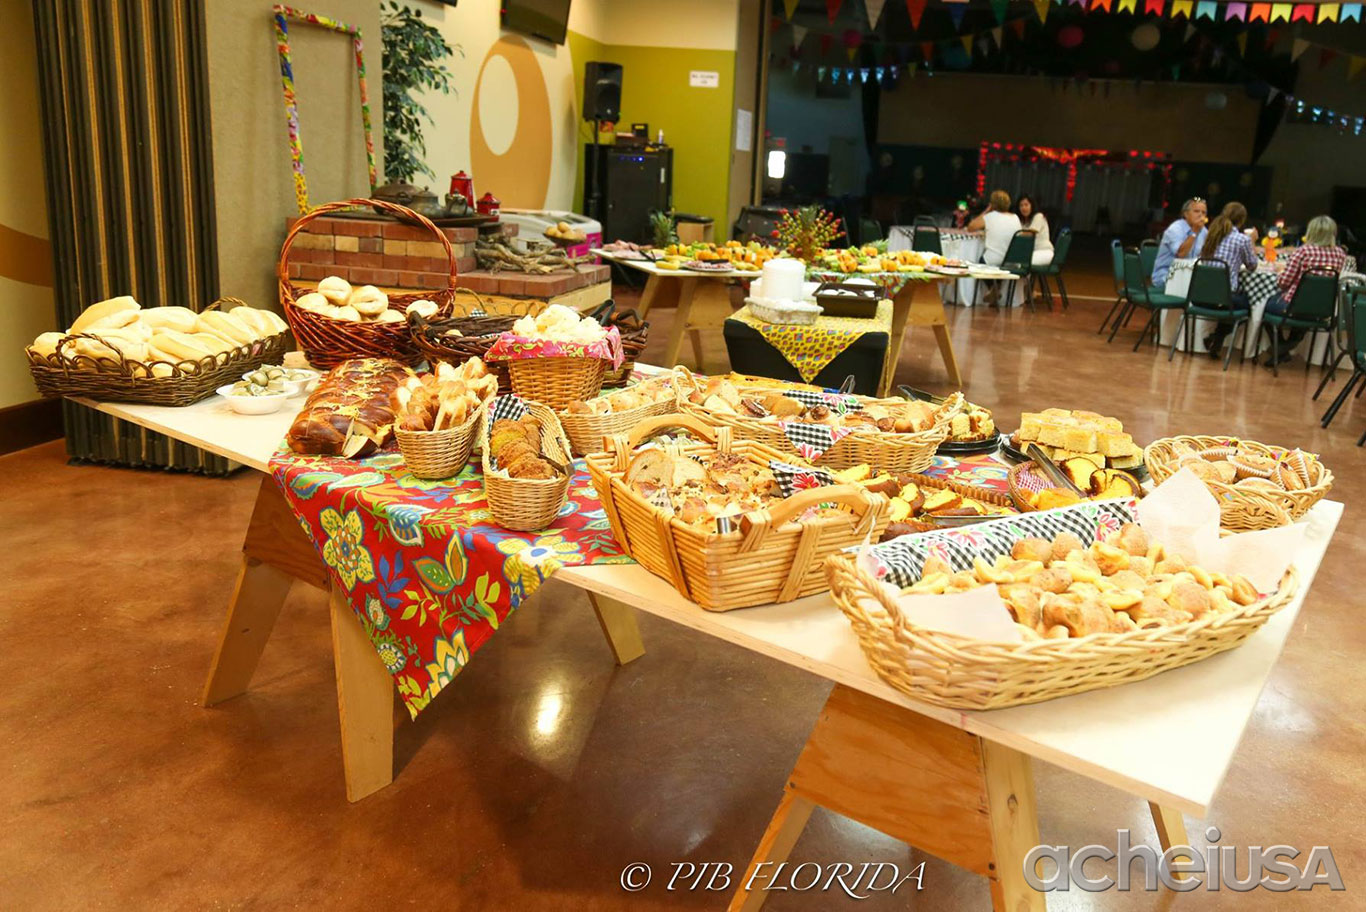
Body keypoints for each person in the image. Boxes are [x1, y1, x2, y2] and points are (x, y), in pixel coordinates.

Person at [1262, 215, 1348, 365]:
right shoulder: (1340, 254)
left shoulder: (1303, 252)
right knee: (1306, 310)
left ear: (1311, 232)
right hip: (1322, 310)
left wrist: (1280, 273)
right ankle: (1285, 348)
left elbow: (1283, 283)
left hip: (1294, 307)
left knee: (1265, 305)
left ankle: (1280, 347)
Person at [1201, 202, 1259, 357]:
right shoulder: (1242, 240)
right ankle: (1217, 338)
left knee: (1231, 300)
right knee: (1249, 304)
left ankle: (1216, 341)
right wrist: (1252, 241)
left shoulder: (1211, 234)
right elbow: (1252, 265)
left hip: (1200, 295)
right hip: (1224, 298)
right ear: (1241, 220)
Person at [967, 190, 1023, 304]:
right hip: (1013, 260)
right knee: (998, 261)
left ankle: (993, 286)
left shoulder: (990, 217)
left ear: (992, 204)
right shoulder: (1015, 218)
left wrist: (987, 210)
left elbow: (971, 227)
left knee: (979, 264)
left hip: (994, 259)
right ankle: (995, 287)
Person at [1151, 198, 1209, 286]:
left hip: (1189, 276)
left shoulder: (1204, 231)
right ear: (1185, 214)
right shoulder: (1175, 229)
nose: (1200, 215)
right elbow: (1181, 254)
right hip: (1167, 275)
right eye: (1196, 211)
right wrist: (1194, 232)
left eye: (1203, 212)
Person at [1017, 195, 1054, 266]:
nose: (1023, 208)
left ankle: (1025, 277)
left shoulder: (1039, 216)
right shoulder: (1023, 221)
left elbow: (1030, 234)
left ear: (1032, 206)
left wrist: (1015, 235)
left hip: (1044, 252)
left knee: (1020, 263)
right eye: (1021, 205)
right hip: (1032, 252)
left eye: (1026, 205)